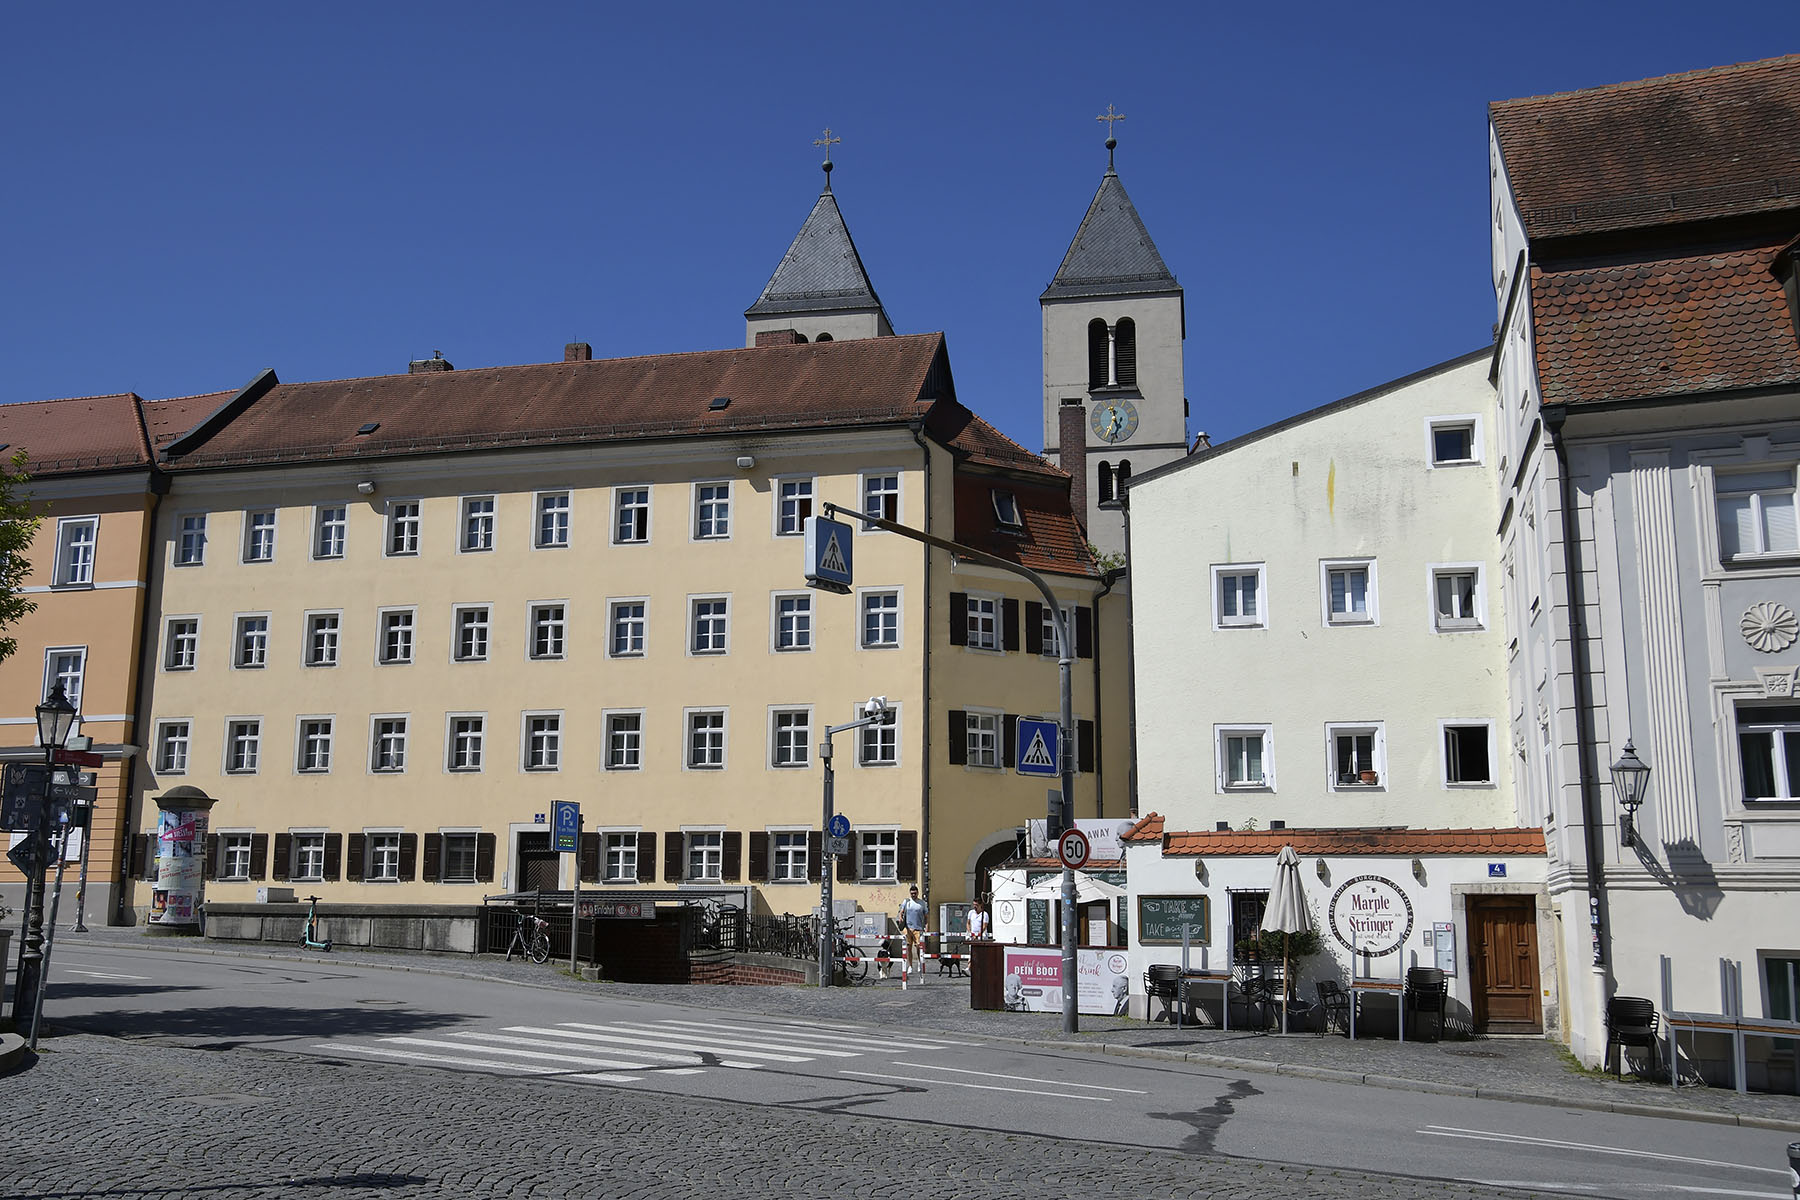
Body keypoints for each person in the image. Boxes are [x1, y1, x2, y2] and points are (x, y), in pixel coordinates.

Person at [898, 885, 928, 979]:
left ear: (917, 893)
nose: (913, 895)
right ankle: (910, 966)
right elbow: (901, 912)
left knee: (918, 947)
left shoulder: (922, 903)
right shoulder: (907, 901)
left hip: (918, 928)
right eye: (912, 893)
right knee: (908, 947)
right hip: (908, 928)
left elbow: (926, 916)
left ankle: (919, 962)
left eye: (915, 893)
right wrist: (900, 918)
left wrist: (926, 927)